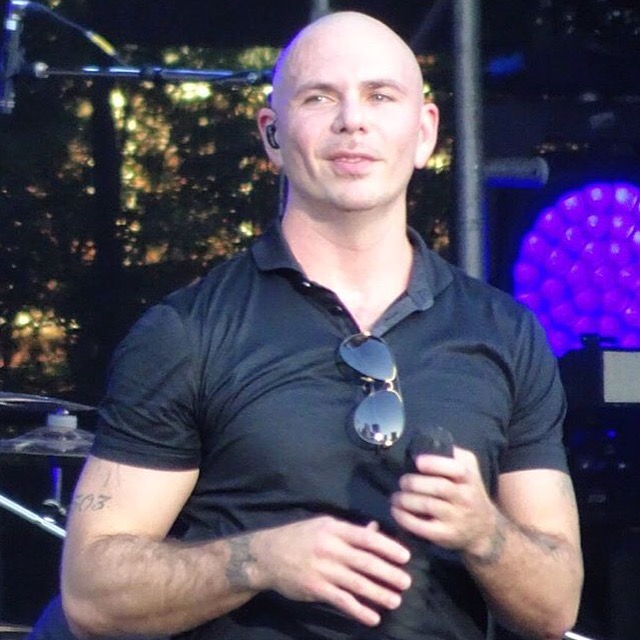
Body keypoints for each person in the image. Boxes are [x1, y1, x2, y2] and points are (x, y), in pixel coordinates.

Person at [60, 10, 583, 640]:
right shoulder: (186, 333)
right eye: (319, 97)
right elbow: (91, 597)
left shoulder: (506, 333)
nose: (352, 120)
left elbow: (556, 609)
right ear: (272, 135)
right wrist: (258, 560)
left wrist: (485, 531)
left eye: (380, 96)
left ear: (424, 133)